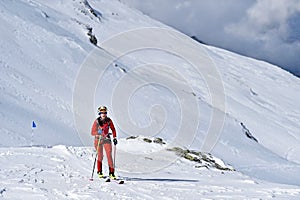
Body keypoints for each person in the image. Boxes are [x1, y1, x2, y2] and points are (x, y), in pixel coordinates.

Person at [91, 106, 118, 179]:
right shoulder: (97, 121)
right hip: (98, 140)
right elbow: (92, 132)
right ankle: (99, 171)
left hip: (106, 139)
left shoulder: (109, 120)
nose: (104, 114)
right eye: (102, 112)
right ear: (99, 113)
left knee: (109, 155)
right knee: (100, 155)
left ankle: (111, 173)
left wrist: (115, 137)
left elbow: (113, 129)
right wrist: (98, 132)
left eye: (105, 112)